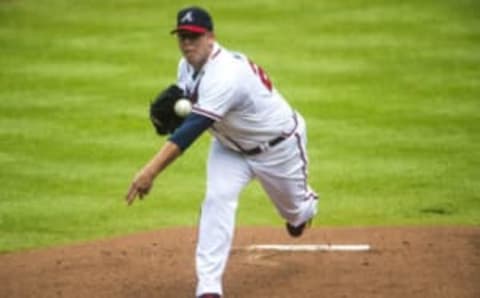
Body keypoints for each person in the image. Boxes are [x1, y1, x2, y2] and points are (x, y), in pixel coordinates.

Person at [125, 6, 318, 298]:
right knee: (217, 199)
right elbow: (184, 100)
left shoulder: (226, 73)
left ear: (210, 37)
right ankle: (209, 288)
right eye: (182, 37)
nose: (188, 43)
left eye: (194, 37)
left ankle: (304, 211)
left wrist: (150, 171)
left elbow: (191, 130)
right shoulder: (186, 65)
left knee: (295, 211)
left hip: (278, 148)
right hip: (229, 148)